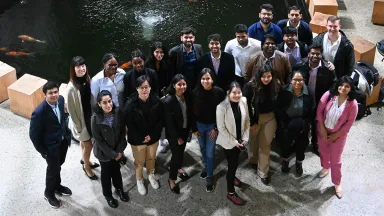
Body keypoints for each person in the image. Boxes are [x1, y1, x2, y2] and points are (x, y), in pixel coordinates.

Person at [29, 81, 72, 209]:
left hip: (62, 142)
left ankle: (57, 186)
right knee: (52, 169)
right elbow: (34, 135)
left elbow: (62, 118)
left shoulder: (60, 100)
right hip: (50, 148)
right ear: (45, 95)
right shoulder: (39, 112)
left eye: (55, 92)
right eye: (50, 93)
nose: (54, 95)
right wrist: (44, 151)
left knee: (59, 165)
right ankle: (49, 193)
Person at [316, 76, 358, 199]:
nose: (343, 88)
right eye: (341, 85)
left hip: (339, 136)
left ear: (351, 89)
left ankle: (337, 183)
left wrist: (334, 135)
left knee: (336, 160)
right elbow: (319, 112)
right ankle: (325, 167)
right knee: (323, 152)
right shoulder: (328, 95)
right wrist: (323, 130)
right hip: (323, 130)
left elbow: (348, 124)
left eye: (347, 86)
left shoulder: (352, 104)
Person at [293, 43, 337, 155]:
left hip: (320, 99)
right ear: (308, 54)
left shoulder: (328, 68)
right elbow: (292, 80)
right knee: (303, 121)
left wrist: (328, 98)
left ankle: (315, 143)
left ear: (322, 55)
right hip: (303, 98)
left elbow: (334, 84)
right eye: (312, 53)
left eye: (318, 54)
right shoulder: (300, 65)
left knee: (318, 122)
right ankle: (300, 142)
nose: (315, 56)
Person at [124, 75, 163, 195]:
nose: (144, 90)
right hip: (137, 139)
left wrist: (152, 135)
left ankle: (151, 174)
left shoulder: (156, 100)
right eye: (141, 87)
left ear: (150, 88)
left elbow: (160, 120)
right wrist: (142, 137)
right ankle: (139, 179)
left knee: (151, 157)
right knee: (139, 161)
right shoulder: (130, 104)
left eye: (146, 87)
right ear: (137, 89)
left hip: (153, 137)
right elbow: (129, 124)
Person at [242, 63, 279, 185]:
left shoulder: (275, 86)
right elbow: (244, 105)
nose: (266, 79)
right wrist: (252, 122)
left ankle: (263, 172)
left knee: (265, 145)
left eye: (269, 76)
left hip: (270, 118)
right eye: (264, 76)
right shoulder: (250, 87)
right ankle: (253, 160)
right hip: (254, 118)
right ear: (259, 76)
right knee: (253, 142)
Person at [91, 90, 129, 208]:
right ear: (99, 104)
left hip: (117, 150)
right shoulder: (95, 119)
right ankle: (108, 195)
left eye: (110, 101)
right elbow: (99, 140)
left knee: (116, 171)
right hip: (104, 154)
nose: (108, 105)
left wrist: (119, 151)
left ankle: (119, 188)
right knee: (106, 174)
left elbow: (123, 132)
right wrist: (113, 154)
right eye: (104, 102)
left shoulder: (118, 112)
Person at [216, 82, 250, 205]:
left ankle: (232, 176)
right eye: (234, 93)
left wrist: (246, 137)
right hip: (228, 142)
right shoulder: (221, 107)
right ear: (228, 93)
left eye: (239, 92)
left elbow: (247, 120)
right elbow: (221, 128)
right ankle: (230, 193)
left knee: (234, 162)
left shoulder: (244, 101)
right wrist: (235, 142)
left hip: (240, 140)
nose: (237, 95)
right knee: (233, 165)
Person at [192, 68, 225, 192]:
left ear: (212, 79)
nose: (206, 81)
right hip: (199, 125)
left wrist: (216, 127)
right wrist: (194, 128)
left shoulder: (219, 92)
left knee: (210, 151)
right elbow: (192, 113)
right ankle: (207, 167)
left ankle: (210, 176)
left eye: (208, 78)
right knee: (202, 148)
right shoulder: (195, 92)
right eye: (203, 78)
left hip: (212, 126)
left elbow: (223, 112)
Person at [276, 71, 315, 176]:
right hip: (287, 123)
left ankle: (298, 163)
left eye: (300, 80)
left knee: (301, 144)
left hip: (302, 123)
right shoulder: (284, 90)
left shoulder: (309, 92)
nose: (298, 82)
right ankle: (285, 161)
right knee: (286, 144)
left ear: (304, 80)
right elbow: (279, 108)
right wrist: (285, 123)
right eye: (295, 80)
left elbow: (312, 109)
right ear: (290, 80)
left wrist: (306, 123)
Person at [66, 56, 99, 180]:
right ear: (73, 69)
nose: (81, 68)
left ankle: (85, 160)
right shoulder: (71, 88)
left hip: (89, 117)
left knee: (84, 144)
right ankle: (86, 167)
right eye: (78, 66)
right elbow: (71, 111)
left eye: (83, 65)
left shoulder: (87, 79)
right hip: (81, 122)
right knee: (89, 145)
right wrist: (79, 127)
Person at [163, 74, 192, 194]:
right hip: (175, 134)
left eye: (184, 84)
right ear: (174, 85)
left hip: (185, 130)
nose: (182, 87)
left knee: (181, 152)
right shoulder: (169, 101)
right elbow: (169, 123)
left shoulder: (187, 96)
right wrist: (177, 137)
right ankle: (171, 179)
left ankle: (179, 168)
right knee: (175, 156)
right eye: (179, 84)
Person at [145, 42, 171, 153]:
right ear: (153, 52)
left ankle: (163, 140)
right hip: (152, 96)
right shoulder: (147, 64)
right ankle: (157, 140)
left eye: (161, 52)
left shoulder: (166, 63)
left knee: (165, 118)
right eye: (157, 52)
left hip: (164, 95)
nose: (159, 54)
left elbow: (170, 78)